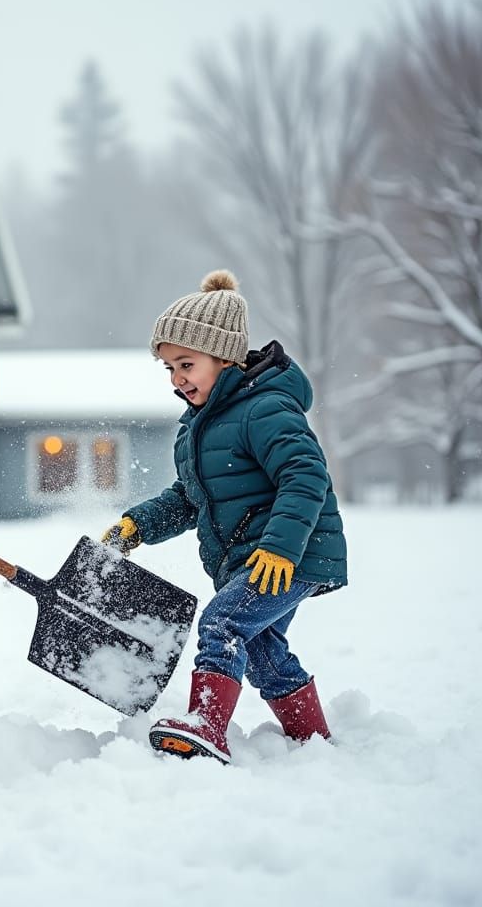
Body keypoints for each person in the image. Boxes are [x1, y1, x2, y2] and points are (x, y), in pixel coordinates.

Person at [100, 270, 346, 764]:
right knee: (264, 653)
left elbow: (306, 476)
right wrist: (140, 525)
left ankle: (207, 726)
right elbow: (191, 499)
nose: (177, 379)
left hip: (288, 555)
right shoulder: (198, 426)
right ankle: (314, 743)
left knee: (223, 624)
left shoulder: (265, 408)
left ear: (224, 356)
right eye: (168, 368)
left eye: (186, 364)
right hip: (254, 561)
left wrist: (279, 547)